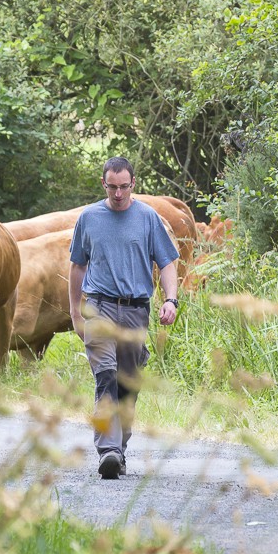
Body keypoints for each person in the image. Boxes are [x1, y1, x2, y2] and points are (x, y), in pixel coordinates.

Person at [68, 156, 180, 479]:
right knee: (105, 375)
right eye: (112, 187)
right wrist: (75, 311)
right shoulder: (89, 218)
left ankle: (120, 449)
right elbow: (77, 265)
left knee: (127, 384)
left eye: (124, 187)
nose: (118, 194)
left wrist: (171, 300)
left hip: (135, 310)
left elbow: (167, 262)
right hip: (99, 307)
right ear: (103, 184)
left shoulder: (147, 218)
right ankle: (108, 451)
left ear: (133, 184)